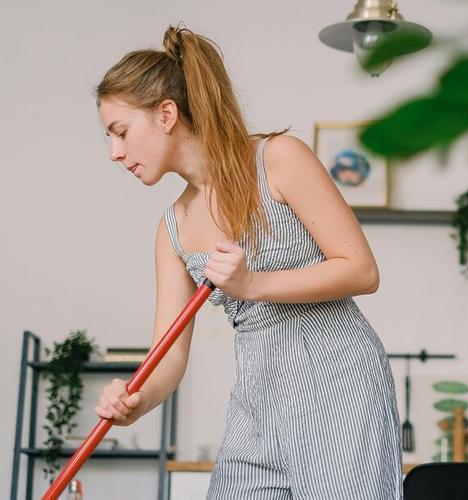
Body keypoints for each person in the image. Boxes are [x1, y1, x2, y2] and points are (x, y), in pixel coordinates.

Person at [94, 26, 402, 499]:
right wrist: (137, 401)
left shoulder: (278, 159)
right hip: (257, 400)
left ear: (166, 114)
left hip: (340, 388)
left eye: (120, 132)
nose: (115, 153)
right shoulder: (171, 228)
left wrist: (252, 284)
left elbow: (361, 269)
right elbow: (170, 355)